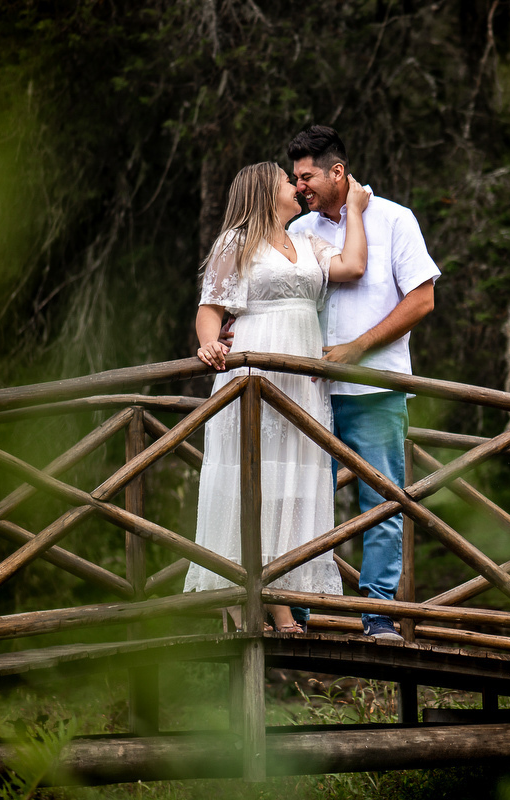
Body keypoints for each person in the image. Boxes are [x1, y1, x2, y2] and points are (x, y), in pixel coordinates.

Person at [185, 161, 371, 633]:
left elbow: (353, 266)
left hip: (302, 379)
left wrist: (354, 208)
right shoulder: (236, 242)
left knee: (292, 487)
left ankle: (279, 595)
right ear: (267, 192)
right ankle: (237, 597)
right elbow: (210, 309)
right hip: (254, 374)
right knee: (250, 481)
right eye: (288, 182)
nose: (296, 186)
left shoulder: (308, 243)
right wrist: (209, 342)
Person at [287, 125, 440, 642]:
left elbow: (421, 300)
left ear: (337, 171)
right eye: (295, 178)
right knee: (304, 499)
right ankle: (299, 610)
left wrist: (356, 351)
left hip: (375, 391)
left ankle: (378, 615)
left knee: (382, 504)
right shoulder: (296, 232)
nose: (300, 185)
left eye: (306, 176)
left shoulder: (395, 219)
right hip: (308, 393)